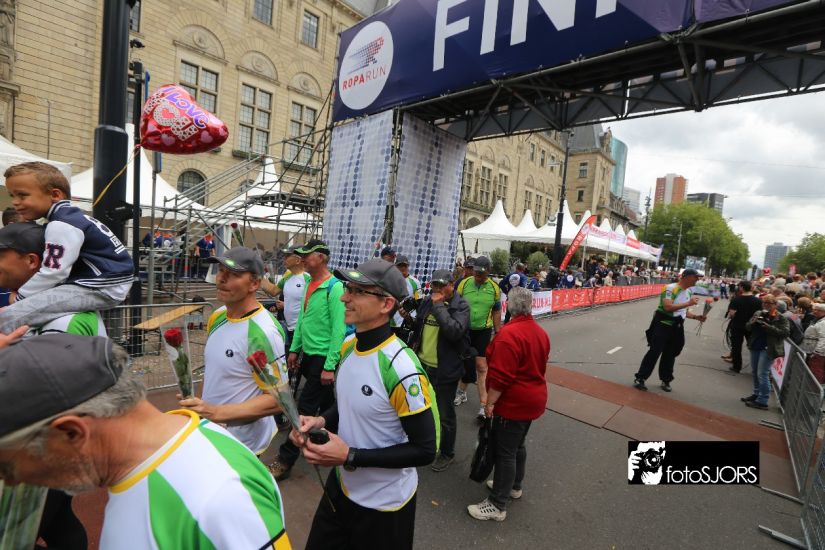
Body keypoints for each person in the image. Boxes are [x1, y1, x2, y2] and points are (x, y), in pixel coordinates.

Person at [0, 334, 291, 549]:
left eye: (7, 468)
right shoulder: (137, 469)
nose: (10, 481)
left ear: (71, 433)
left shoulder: (218, 498)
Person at [288, 259, 437, 550]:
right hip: (342, 487)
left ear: (386, 304)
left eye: (357, 291)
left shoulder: (401, 368)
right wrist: (321, 421)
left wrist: (350, 455)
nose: (344, 297)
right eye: (348, 288)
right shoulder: (348, 347)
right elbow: (348, 404)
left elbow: (425, 449)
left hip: (385, 507)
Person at [0, 162, 134, 333]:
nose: (15, 202)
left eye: (22, 195)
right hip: (105, 284)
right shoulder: (74, 217)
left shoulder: (62, 224)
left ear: (55, 195)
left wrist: (21, 297)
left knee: (14, 315)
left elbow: (53, 272)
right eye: (12, 195)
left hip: (100, 287)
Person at [179, 247, 285, 455]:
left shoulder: (263, 332)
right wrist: (198, 407)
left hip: (242, 443)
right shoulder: (218, 316)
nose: (221, 279)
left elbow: (277, 399)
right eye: (220, 271)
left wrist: (217, 412)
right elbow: (214, 371)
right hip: (210, 432)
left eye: (234, 274)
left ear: (254, 284)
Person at [467, 287, 549, 522]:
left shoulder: (509, 335)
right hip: (532, 398)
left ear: (509, 307)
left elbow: (502, 378)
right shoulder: (539, 332)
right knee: (516, 446)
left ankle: (497, 504)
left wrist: (489, 403)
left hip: (514, 402)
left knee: (505, 452)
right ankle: (513, 485)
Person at [270, 240, 347, 480]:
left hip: (323, 358)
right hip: (308, 355)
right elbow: (302, 320)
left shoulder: (335, 287)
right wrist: (294, 349)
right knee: (326, 401)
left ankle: (285, 459)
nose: (302, 258)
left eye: (307, 255)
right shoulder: (309, 284)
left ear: (321, 257)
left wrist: (330, 366)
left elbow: (339, 330)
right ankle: (337, 439)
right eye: (301, 255)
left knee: (302, 409)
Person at [409, 269, 469, 472]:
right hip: (422, 364)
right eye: (435, 285)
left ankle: (446, 452)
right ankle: (423, 444)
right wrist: (408, 318)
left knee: (445, 414)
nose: (437, 289)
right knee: (421, 408)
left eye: (442, 285)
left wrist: (439, 306)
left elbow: (454, 331)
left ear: (452, 285)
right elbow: (419, 327)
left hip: (444, 369)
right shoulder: (428, 301)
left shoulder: (461, 305)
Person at [633, 269, 706, 392]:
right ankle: (640, 378)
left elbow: (683, 311)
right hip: (663, 325)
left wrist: (696, 317)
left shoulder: (688, 291)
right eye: (695, 277)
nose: (697, 280)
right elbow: (667, 307)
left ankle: (666, 380)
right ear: (686, 277)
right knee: (654, 352)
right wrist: (688, 303)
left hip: (677, 327)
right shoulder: (670, 288)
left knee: (670, 354)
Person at [454, 256, 502, 420]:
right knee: (465, 363)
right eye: (476, 273)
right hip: (465, 330)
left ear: (488, 272)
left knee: (481, 366)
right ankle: (462, 392)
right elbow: (455, 305)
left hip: (483, 331)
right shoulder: (464, 283)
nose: (478, 276)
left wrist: (498, 332)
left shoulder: (494, 288)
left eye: (481, 274)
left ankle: (483, 404)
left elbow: (496, 310)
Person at [742, 294, 789, 409]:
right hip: (756, 345)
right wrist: (753, 322)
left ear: (775, 305)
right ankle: (756, 393)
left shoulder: (781, 318)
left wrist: (768, 327)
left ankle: (763, 400)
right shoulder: (758, 313)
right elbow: (747, 327)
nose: (766, 305)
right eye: (764, 303)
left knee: (762, 373)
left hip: (769, 348)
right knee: (755, 372)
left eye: (769, 303)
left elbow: (785, 333)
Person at [260, 245, 310, 347]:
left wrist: (285, 305)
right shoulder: (287, 278)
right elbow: (273, 290)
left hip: (303, 331)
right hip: (288, 329)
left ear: (298, 260)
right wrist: (256, 275)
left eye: (287, 256)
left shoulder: (308, 278)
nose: (284, 258)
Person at [725, 281, 762, 373]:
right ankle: (757, 367)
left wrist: (732, 315)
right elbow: (759, 314)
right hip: (751, 326)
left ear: (741, 287)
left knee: (736, 346)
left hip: (737, 325)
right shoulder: (758, 301)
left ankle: (737, 366)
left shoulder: (736, 299)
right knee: (753, 346)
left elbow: (732, 314)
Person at [391, 255, 422, 342]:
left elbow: (419, 302)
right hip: (391, 322)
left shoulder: (415, 282)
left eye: (405, 265)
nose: (403, 268)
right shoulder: (389, 280)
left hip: (406, 322)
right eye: (400, 266)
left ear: (408, 266)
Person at [801, 303, 825, 383]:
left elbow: (823, 338)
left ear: (823, 312)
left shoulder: (823, 322)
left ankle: (814, 388)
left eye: (817, 310)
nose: (814, 311)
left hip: (818, 353)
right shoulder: (817, 319)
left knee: (816, 372)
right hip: (812, 349)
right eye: (814, 309)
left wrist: (818, 352)